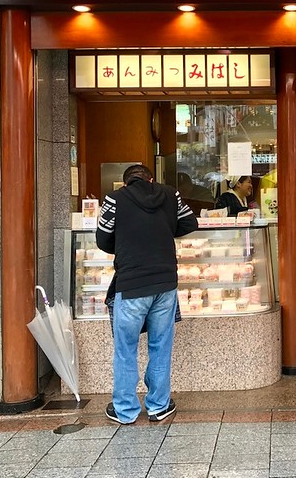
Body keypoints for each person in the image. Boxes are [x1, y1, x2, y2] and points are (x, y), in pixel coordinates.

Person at [96, 164, 198, 424]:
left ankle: (125, 410)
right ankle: (158, 406)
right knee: (160, 346)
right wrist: (162, 229)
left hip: (131, 284)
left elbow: (102, 239)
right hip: (165, 283)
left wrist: (125, 239)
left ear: (125, 182)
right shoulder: (170, 194)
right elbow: (190, 222)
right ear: (151, 179)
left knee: (125, 349)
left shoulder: (115, 199)